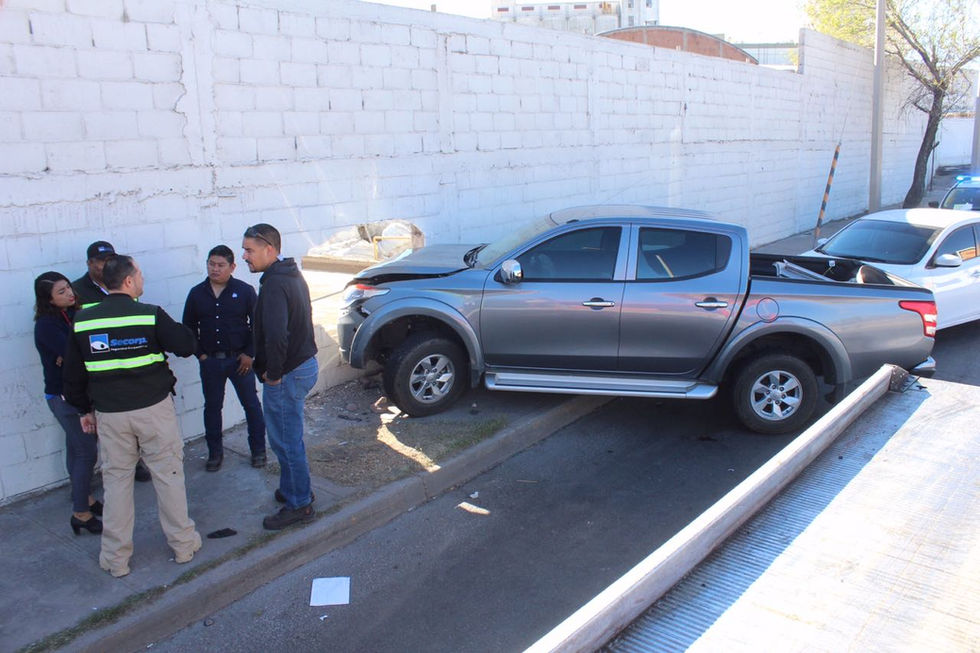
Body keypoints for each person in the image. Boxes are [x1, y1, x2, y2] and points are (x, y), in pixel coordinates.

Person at [63, 255, 201, 578]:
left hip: (110, 416)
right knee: (168, 476)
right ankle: (183, 545)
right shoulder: (150, 314)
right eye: (138, 274)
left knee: (116, 485)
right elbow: (186, 345)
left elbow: (71, 377)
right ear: (128, 281)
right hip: (153, 411)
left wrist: (85, 410)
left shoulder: (83, 320)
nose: (141, 279)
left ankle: (115, 559)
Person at [241, 224, 319, 531]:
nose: (244, 256)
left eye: (249, 250)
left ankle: (299, 503)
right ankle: (292, 488)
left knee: (285, 441)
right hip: (300, 366)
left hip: (287, 372)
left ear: (269, 250)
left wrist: (272, 375)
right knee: (288, 436)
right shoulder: (288, 272)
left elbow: (277, 337)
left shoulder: (275, 284)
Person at [73, 240, 152, 484]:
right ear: (89, 264)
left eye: (109, 259)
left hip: (128, 361)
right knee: (103, 428)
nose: (105, 265)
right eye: (100, 261)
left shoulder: (123, 283)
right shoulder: (77, 290)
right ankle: (93, 481)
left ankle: (136, 463)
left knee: (131, 421)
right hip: (97, 368)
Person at [182, 245, 266, 471]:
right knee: (212, 408)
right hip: (211, 362)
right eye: (211, 264)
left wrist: (250, 353)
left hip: (241, 362)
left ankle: (258, 451)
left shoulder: (245, 291)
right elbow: (188, 328)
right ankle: (215, 454)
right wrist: (200, 355)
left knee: (251, 406)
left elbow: (258, 325)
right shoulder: (197, 293)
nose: (215, 269)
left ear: (232, 267)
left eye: (220, 265)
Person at [33, 272, 103, 536]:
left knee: (76, 448)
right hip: (64, 398)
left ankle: (83, 498)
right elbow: (78, 354)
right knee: (86, 452)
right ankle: (81, 514)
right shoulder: (47, 325)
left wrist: (73, 357)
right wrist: (73, 356)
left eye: (68, 288)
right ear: (48, 299)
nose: (69, 294)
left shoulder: (73, 315)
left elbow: (80, 351)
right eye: (61, 292)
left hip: (75, 392)